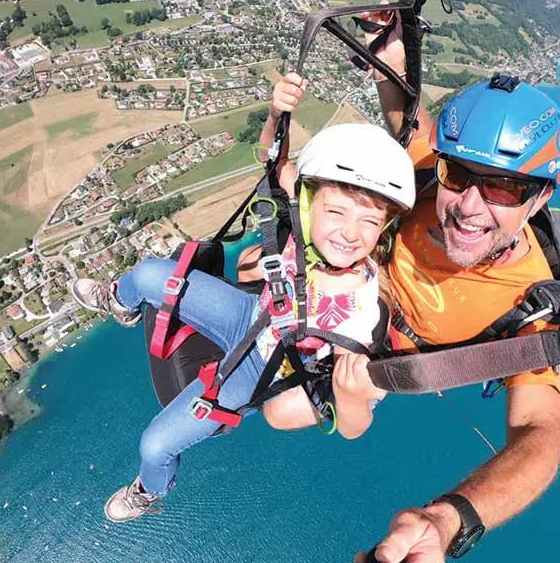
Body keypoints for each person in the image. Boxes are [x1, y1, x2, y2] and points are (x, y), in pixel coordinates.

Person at [70, 73, 416, 523]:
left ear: (384, 228)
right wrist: (277, 113)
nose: (351, 234)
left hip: (260, 368)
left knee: (154, 445)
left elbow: (353, 422)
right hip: (249, 314)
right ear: (309, 205)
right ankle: (122, 303)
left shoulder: (366, 318)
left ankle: (149, 489)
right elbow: (271, 159)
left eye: (369, 223)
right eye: (336, 213)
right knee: (153, 274)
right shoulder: (301, 224)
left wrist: (349, 399)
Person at [352, 12, 560, 563]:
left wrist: (448, 519)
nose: (470, 207)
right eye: (461, 177)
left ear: (539, 199)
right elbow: (407, 121)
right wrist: (393, 51)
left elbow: (538, 434)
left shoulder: (531, 304)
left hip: (375, 364)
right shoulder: (432, 180)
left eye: (503, 188)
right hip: (342, 308)